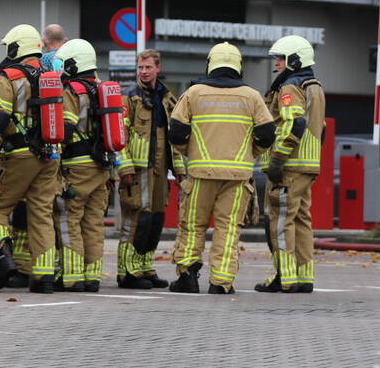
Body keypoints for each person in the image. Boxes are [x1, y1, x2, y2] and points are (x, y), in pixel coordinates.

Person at [167, 42, 276, 294]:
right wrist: (251, 153)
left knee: (192, 226)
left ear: (210, 63)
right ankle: (221, 283)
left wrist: (190, 152)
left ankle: (187, 278)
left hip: (199, 174)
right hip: (238, 177)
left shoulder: (193, 94)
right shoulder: (252, 96)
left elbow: (176, 133)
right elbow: (268, 133)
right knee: (228, 231)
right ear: (238, 66)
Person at [0, 24, 60, 294]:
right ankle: (44, 277)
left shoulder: (7, 76)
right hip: (50, 155)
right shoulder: (51, 75)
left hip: (18, 154)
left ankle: (3, 258)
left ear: (16, 47)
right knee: (42, 215)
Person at [255, 35, 325, 294]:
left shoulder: (290, 87)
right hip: (308, 165)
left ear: (295, 59)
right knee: (302, 220)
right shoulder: (315, 85)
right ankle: (304, 276)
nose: (277, 63)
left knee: (280, 220)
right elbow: (321, 127)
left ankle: (284, 277)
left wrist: (277, 159)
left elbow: (293, 124)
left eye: (281, 58)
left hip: (289, 166)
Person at [115, 49, 185, 289]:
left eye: (148, 67)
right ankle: (127, 272)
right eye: (140, 68)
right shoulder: (129, 97)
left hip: (159, 168)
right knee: (137, 218)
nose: (143, 72)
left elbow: (174, 137)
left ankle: (145, 267)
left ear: (158, 68)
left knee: (155, 218)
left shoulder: (167, 98)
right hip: (137, 167)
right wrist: (124, 168)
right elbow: (119, 135)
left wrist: (179, 168)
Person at [53, 39, 110, 293]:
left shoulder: (72, 91)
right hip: (102, 166)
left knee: (69, 219)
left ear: (74, 63)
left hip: (77, 165)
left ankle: (72, 276)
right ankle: (92, 276)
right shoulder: (102, 89)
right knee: (94, 223)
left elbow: (65, 130)